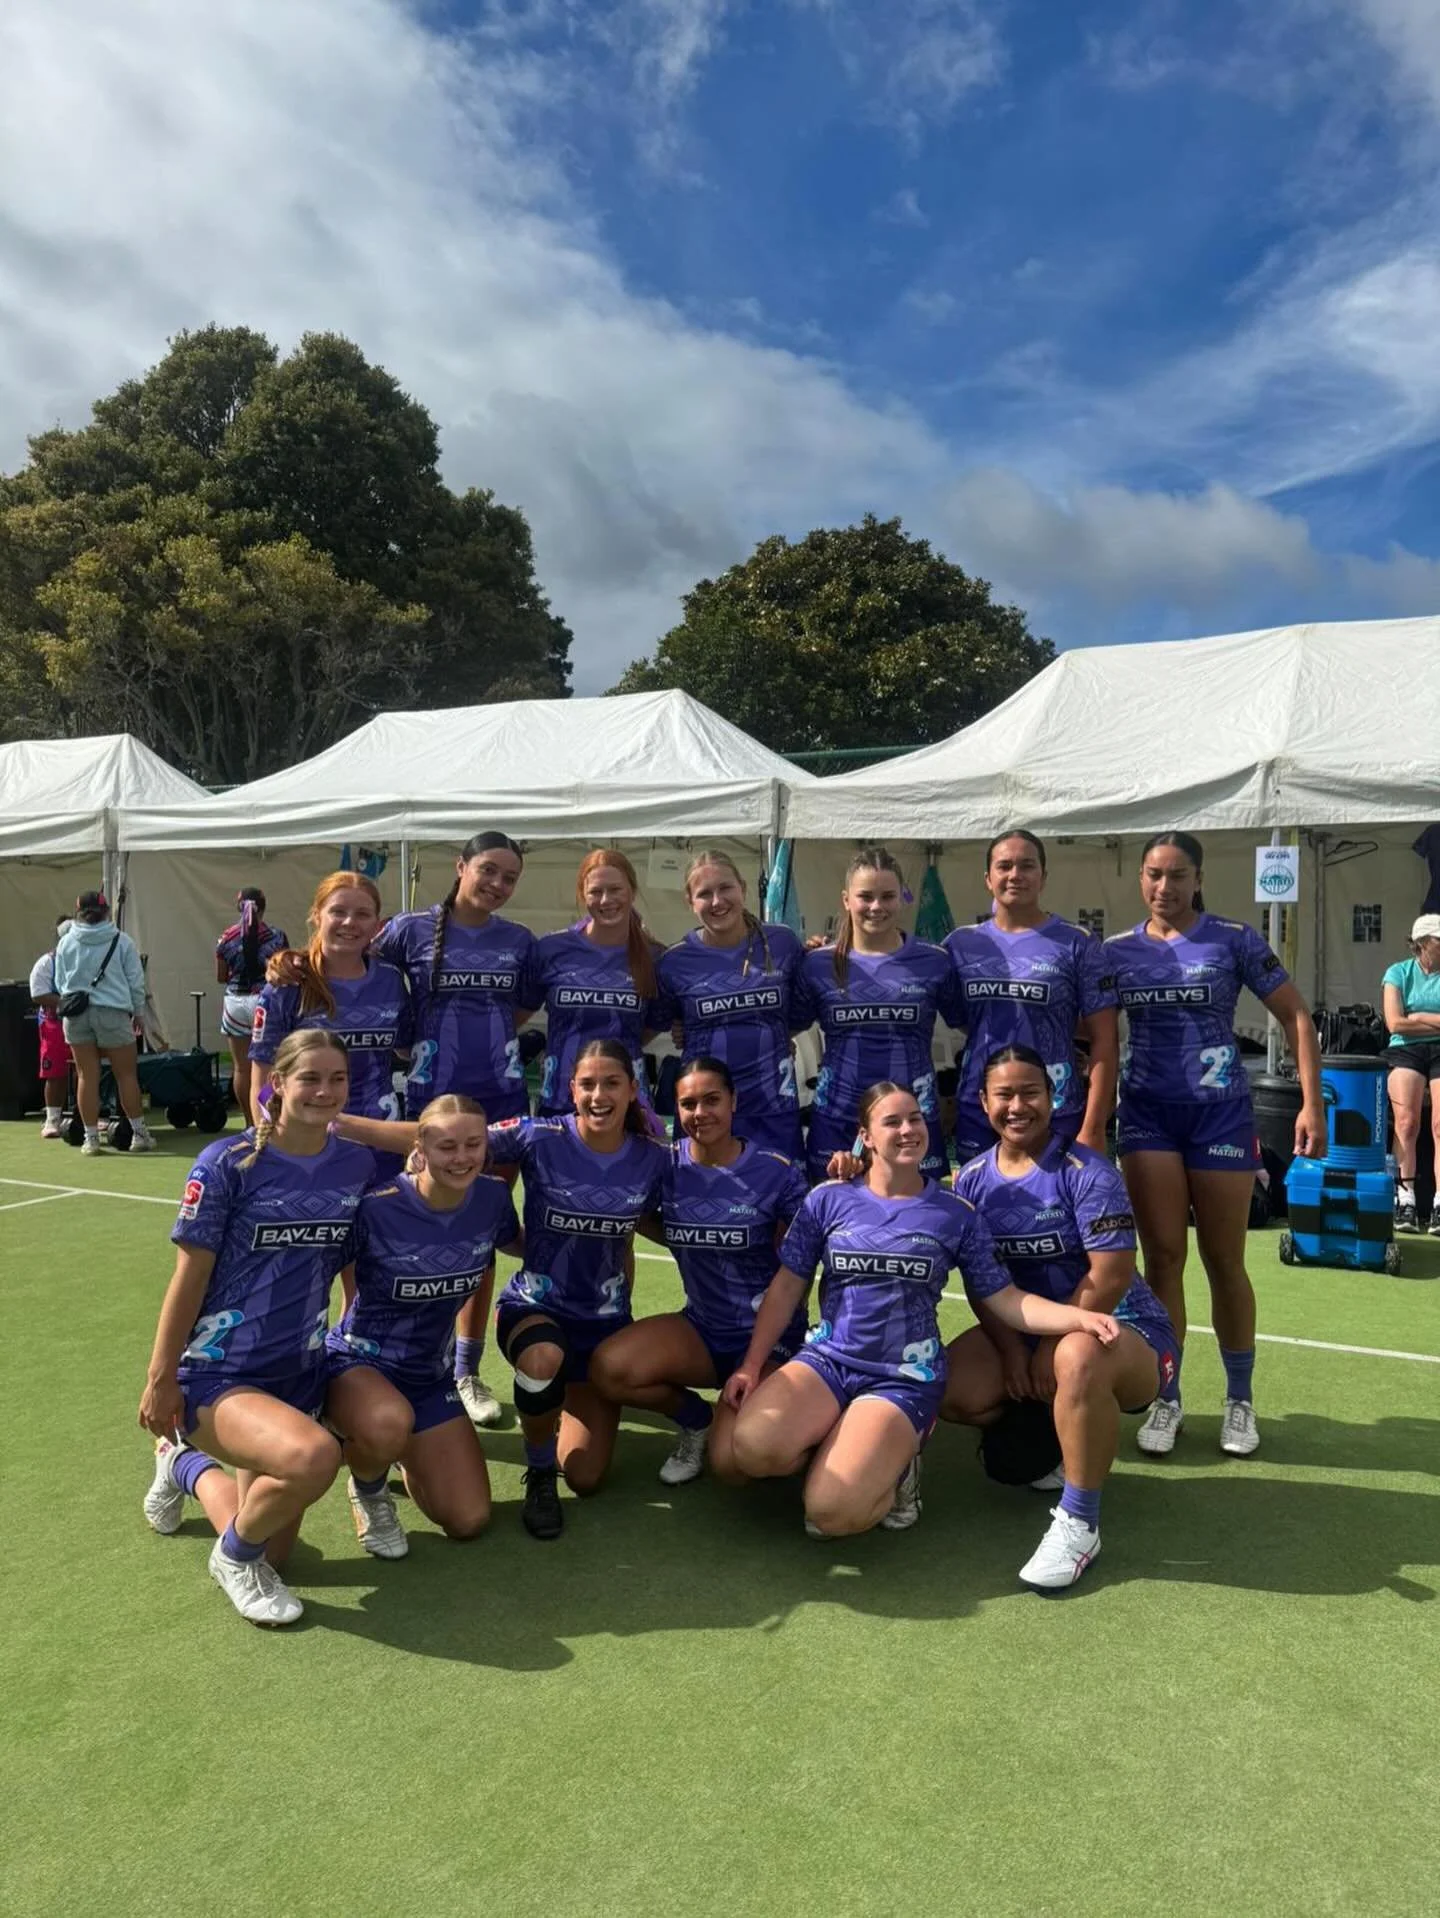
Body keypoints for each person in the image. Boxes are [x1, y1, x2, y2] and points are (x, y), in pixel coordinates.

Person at [724, 1082, 1120, 1539]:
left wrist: (1078, 1317)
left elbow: (1006, 1299)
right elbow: (786, 1286)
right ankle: (850, 1441)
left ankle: (897, 1465)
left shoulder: (955, 1213)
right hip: (828, 1362)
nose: (909, 1129)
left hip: (903, 1377)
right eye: (892, 1121)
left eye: (915, 1118)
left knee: (830, 1516)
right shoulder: (827, 1198)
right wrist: (752, 1366)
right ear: (866, 1136)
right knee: (752, 1450)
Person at [137, 1031, 377, 1627]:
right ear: (278, 1085)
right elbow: (188, 1278)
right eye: (310, 1079)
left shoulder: (355, 1161)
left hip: (298, 1370)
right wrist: (161, 1378)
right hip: (220, 1372)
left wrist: (353, 1312)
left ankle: (181, 1466)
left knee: (279, 1550)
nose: (325, 1091)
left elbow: (346, 1252)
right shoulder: (228, 1163)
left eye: (337, 1079)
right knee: (314, 1458)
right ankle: (232, 1559)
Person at [1108, 831, 1325, 1460]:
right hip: (1147, 1119)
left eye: (1177, 876)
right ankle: (1167, 1397)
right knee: (1164, 1260)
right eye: (1153, 875)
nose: (1163, 888)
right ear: (1141, 879)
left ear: (1197, 879)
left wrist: (1311, 1104)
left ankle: (1239, 1399)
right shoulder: (1118, 952)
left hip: (1222, 1118)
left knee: (1224, 1260)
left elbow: (1297, 1016)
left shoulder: (1234, 939)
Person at [942, 1046, 1180, 1591]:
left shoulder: (1088, 1172)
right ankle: (1061, 1444)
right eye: (1004, 1094)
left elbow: (1112, 1276)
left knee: (1075, 1356)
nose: (1017, 1105)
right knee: (948, 1385)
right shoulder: (973, 1180)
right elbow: (984, 1285)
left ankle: (1080, 1523)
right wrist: (1009, 1352)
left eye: (1031, 1092)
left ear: (1052, 1099)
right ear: (983, 1102)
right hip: (1026, 1333)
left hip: (1125, 1333)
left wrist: (1052, 1343)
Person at [369, 831, 537, 1427]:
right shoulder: (407, 931)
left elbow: (518, 1009)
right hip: (428, 1105)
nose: (496, 885)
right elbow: (359, 971)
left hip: (504, 1101)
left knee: (479, 1233)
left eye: (509, 878)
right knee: (415, 1237)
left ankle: (465, 1369)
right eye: (488, 870)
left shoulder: (519, 941)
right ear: (460, 866)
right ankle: (400, 1363)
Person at [589, 1057, 811, 1486]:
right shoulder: (668, 1166)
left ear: (733, 1102)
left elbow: (810, 1249)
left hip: (769, 1340)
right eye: (688, 1104)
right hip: (703, 1329)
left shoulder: (775, 1171)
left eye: (712, 1100)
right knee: (610, 1368)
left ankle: (817, 1424)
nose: (700, 1113)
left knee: (732, 1466)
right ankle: (696, 1420)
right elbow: (643, 1214)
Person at [324, 1094, 523, 1559]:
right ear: (420, 1149)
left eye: (473, 1145)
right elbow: (313, 1269)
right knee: (387, 1420)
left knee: (468, 1519)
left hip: (430, 1378)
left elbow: (517, 1243)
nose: (462, 1158)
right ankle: (368, 1487)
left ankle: (395, 1445)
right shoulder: (376, 1208)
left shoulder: (492, 1198)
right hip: (359, 1364)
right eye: (446, 1146)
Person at [485, 1039, 667, 1540]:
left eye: (612, 1083)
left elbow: (665, 1218)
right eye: (587, 1084)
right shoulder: (539, 1136)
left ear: (633, 1090)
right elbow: (451, 1136)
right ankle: (539, 1471)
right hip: (534, 1307)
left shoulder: (655, 1158)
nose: (598, 1094)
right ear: (571, 1090)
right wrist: (340, 1126)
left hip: (604, 1326)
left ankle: (558, 1405)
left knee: (586, 1476)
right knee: (543, 1359)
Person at [944, 831, 1119, 1163]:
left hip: (1056, 1107)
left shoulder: (1077, 943)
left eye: (1027, 866)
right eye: (1004, 866)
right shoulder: (959, 945)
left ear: (1043, 877)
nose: (1015, 875)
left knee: (1055, 1213)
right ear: (988, 878)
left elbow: (1105, 1040)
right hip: (980, 1107)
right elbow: (964, 1019)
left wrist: (1094, 1127)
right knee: (980, 1210)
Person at [793, 848, 953, 1183]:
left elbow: (972, 1022)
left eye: (887, 896)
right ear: (846, 900)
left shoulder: (935, 961)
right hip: (837, 1119)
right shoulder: (817, 964)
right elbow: (783, 1024)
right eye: (865, 896)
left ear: (902, 899)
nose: (876, 907)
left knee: (916, 1221)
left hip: (911, 1121)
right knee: (836, 1222)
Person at [656, 852, 807, 1158]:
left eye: (725, 888)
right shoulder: (674, 962)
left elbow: (804, 1008)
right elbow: (663, 1019)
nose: (717, 901)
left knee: (780, 1202)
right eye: (704, 894)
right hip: (706, 1117)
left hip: (772, 1110)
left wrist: (775, 1037)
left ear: (743, 888)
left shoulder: (783, 943)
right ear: (690, 901)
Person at [251, 872, 412, 1123]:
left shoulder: (390, 979)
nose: (349, 922)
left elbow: (407, 1048)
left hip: (381, 1139)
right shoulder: (288, 984)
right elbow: (262, 1083)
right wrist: (271, 1146)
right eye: (338, 912)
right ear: (317, 916)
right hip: (311, 1140)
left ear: (377, 924)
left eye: (362, 914)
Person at [530, 850, 661, 1118]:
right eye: (596, 892)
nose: (606, 900)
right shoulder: (551, 949)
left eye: (615, 890)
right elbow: (518, 1011)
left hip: (628, 1107)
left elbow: (652, 1026)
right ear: (582, 895)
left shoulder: (656, 956)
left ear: (632, 892)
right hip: (560, 1101)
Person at [52, 891, 153, 1156]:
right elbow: (135, 980)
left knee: (86, 1076)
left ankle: (91, 1139)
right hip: (112, 1011)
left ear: (78, 912)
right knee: (126, 1075)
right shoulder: (122, 941)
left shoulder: (66, 942)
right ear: (106, 911)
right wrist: (138, 1012)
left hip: (76, 1014)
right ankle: (139, 1134)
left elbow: (60, 982)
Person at [1382, 913, 1440, 1233]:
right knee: (1406, 1122)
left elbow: (1407, 1019)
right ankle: (1405, 1199)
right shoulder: (1397, 973)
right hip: (1404, 1049)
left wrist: (1417, 1014)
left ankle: (1439, 1203)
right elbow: (1395, 1023)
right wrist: (1432, 1019)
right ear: (1423, 945)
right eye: (1439, 942)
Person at [215, 887, 288, 1124]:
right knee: (270, 1065)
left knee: (242, 1068)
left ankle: (249, 1122)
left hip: (235, 1002)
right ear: (263, 906)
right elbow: (283, 971)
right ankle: (270, 1120)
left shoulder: (226, 937)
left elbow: (221, 976)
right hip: (266, 1000)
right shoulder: (277, 936)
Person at [28, 913, 73, 1138]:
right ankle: (52, 1119)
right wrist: (67, 1002)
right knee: (55, 1072)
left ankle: (87, 1116)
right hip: (54, 1024)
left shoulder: (85, 960)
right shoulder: (47, 962)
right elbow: (38, 994)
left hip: (81, 1024)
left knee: (86, 1071)